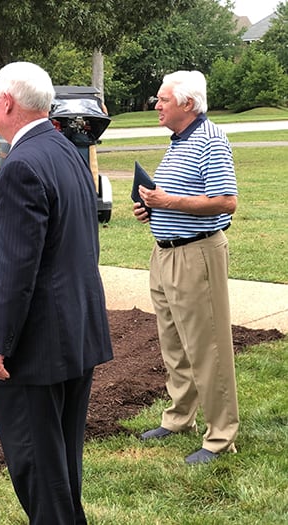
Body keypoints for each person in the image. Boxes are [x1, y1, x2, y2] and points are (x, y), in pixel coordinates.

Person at [0, 62, 113, 524]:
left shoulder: (23, 165)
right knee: (62, 462)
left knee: (38, 468)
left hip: (32, 352)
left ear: (7, 103)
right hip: (73, 334)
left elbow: (17, 268)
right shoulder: (67, 148)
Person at [133, 70, 239, 465]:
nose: (156, 105)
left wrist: (168, 204)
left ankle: (221, 436)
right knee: (174, 343)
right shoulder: (179, 142)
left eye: (163, 99)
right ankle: (179, 418)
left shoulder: (211, 140)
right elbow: (178, 195)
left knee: (208, 346)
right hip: (165, 254)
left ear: (187, 105)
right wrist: (152, 209)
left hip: (196, 256)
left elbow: (226, 202)